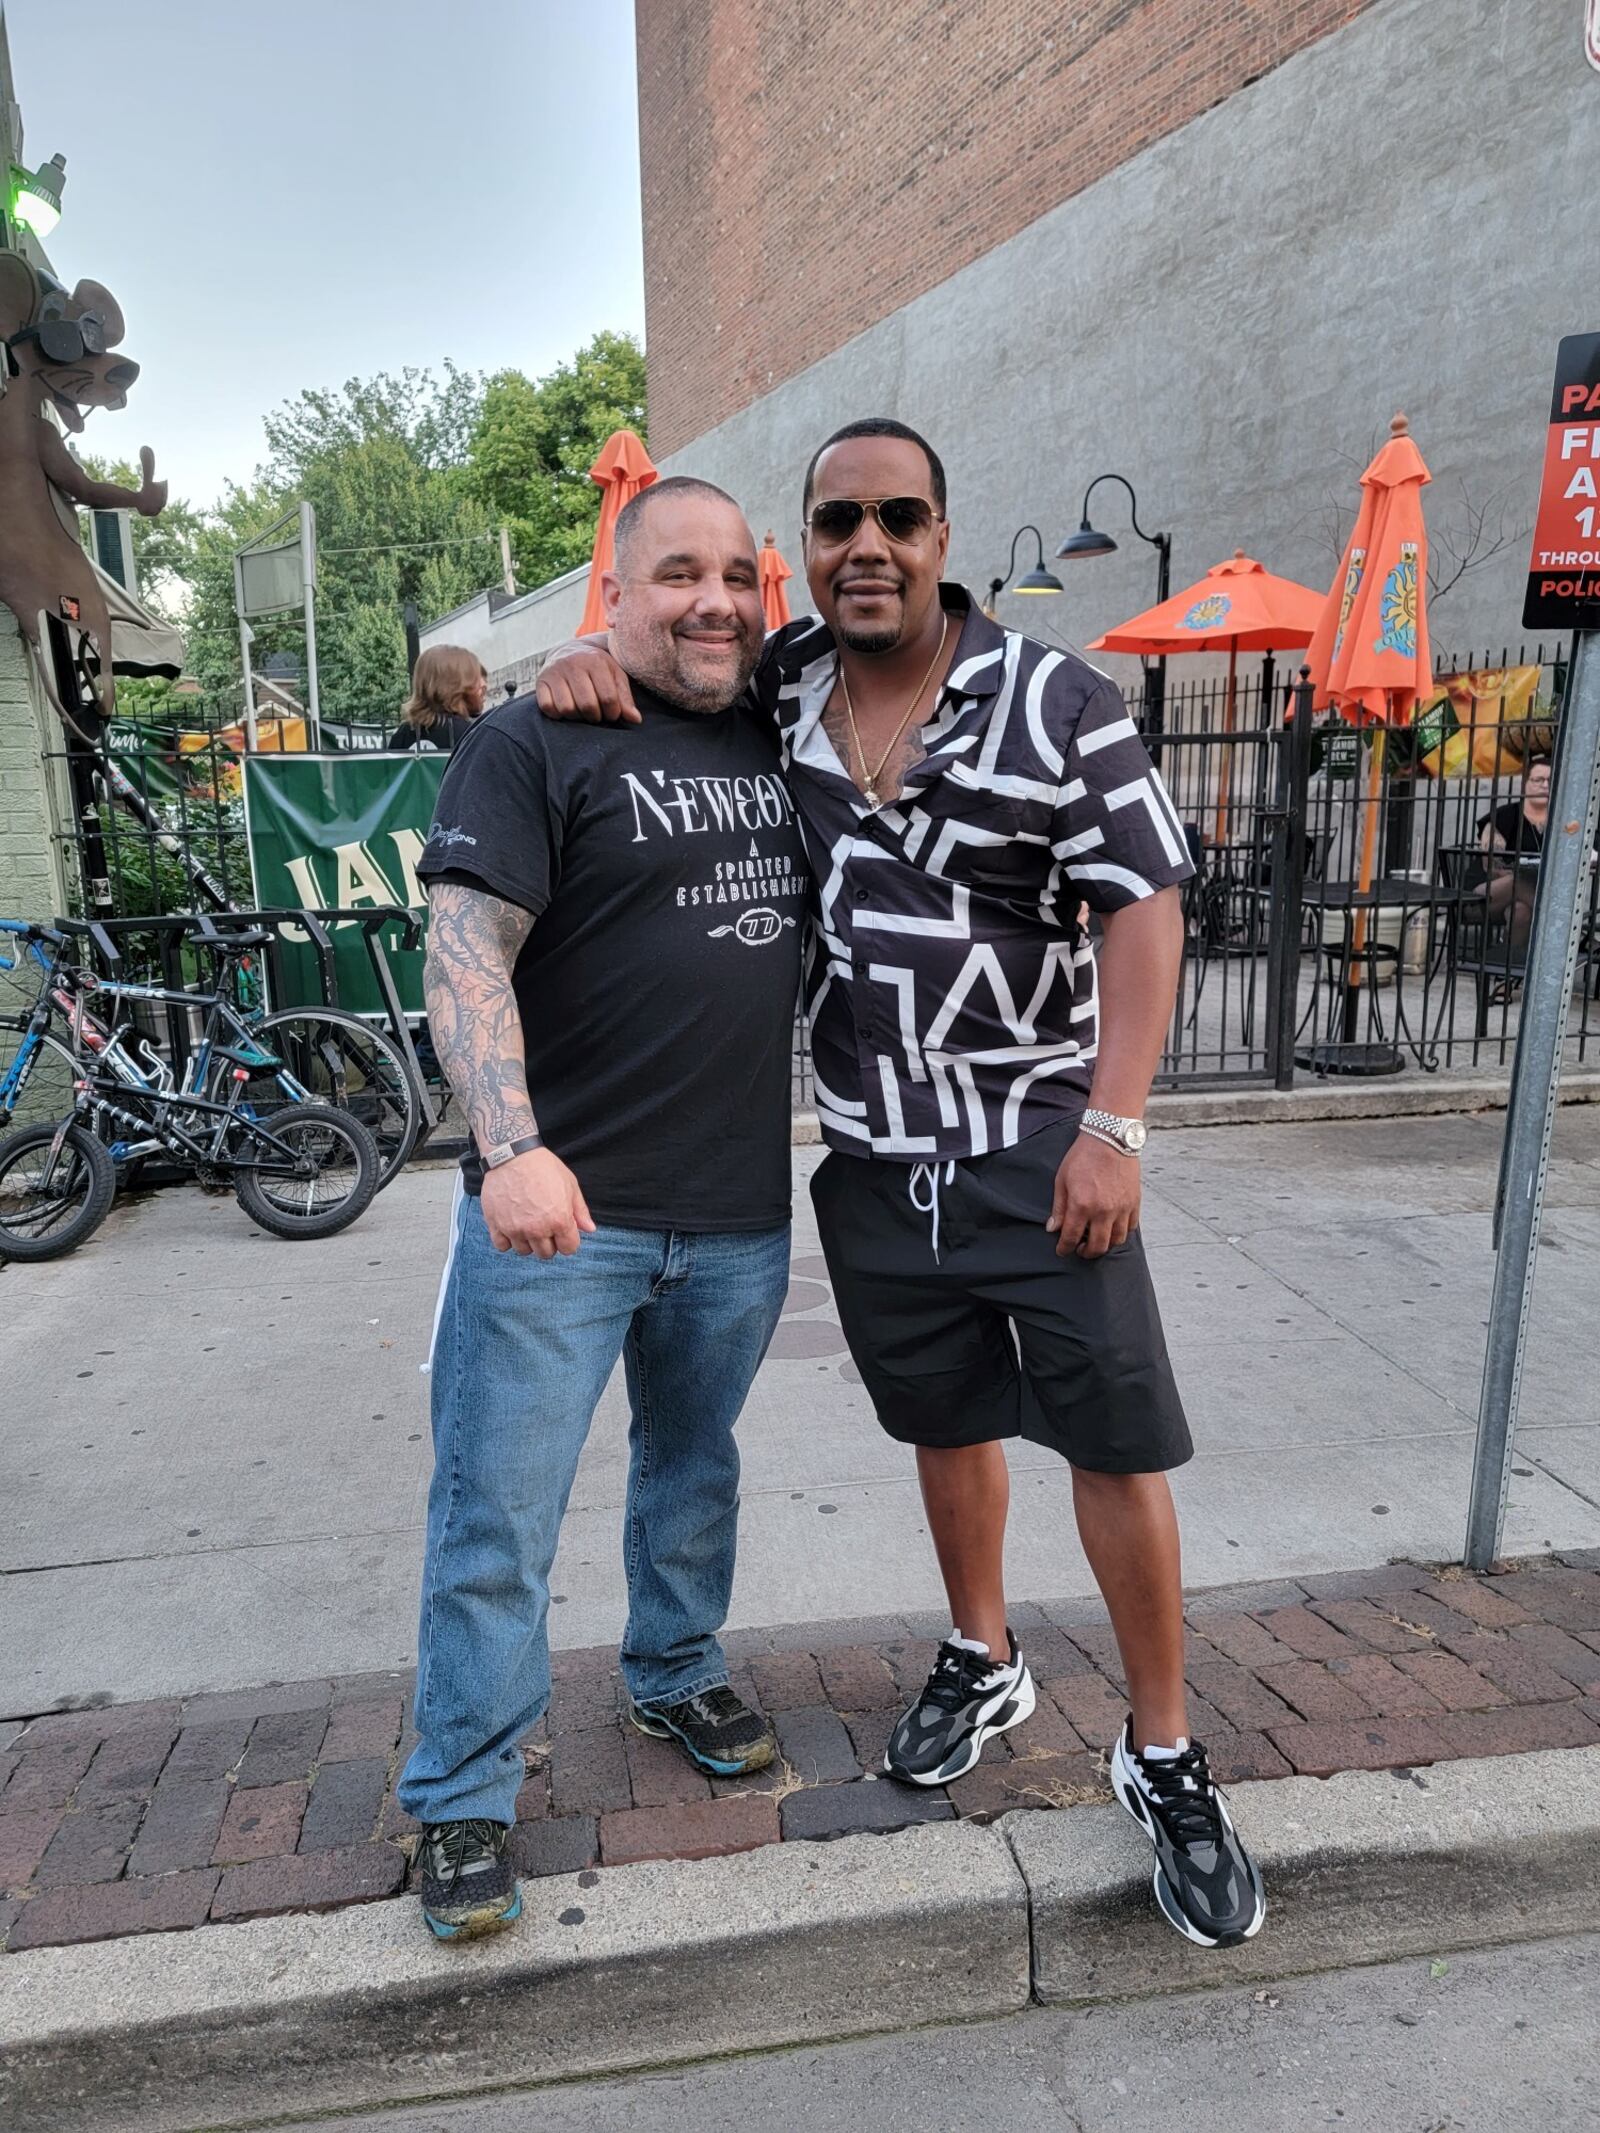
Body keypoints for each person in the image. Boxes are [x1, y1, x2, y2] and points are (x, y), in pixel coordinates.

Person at [538, 418, 1266, 1948]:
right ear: (800, 548)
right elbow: (666, 648)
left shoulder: (1056, 700)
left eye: (899, 518)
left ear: (945, 537)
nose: (866, 544)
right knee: (946, 1421)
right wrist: (573, 659)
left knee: (1112, 1441)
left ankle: (1163, 1748)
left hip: (1039, 1147)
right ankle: (982, 1654)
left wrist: (1115, 1127)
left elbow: (1145, 907)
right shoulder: (787, 683)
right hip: (874, 1157)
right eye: (835, 521)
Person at [397, 477, 808, 1941]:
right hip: (558, 1222)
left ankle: (674, 1665)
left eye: (739, 576)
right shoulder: (532, 735)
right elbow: (465, 946)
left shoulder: (783, 721)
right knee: (497, 1509)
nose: (715, 599)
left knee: (693, 1465)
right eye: (679, 573)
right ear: (615, 595)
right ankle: (459, 1796)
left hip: (739, 1213)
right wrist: (508, 1144)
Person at [1475, 752, 1551, 967]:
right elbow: (1490, 866)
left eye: (1550, 781)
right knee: (1517, 881)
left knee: (1521, 912)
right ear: (1524, 784)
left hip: (1524, 900)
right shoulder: (1506, 815)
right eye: (1538, 780)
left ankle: (1505, 977)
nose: (1544, 786)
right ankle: (1552, 915)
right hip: (1486, 895)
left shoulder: (1560, 820)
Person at [387, 645, 489, 751]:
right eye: (474, 677)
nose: (483, 684)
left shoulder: (402, 734)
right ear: (458, 684)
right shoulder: (472, 734)